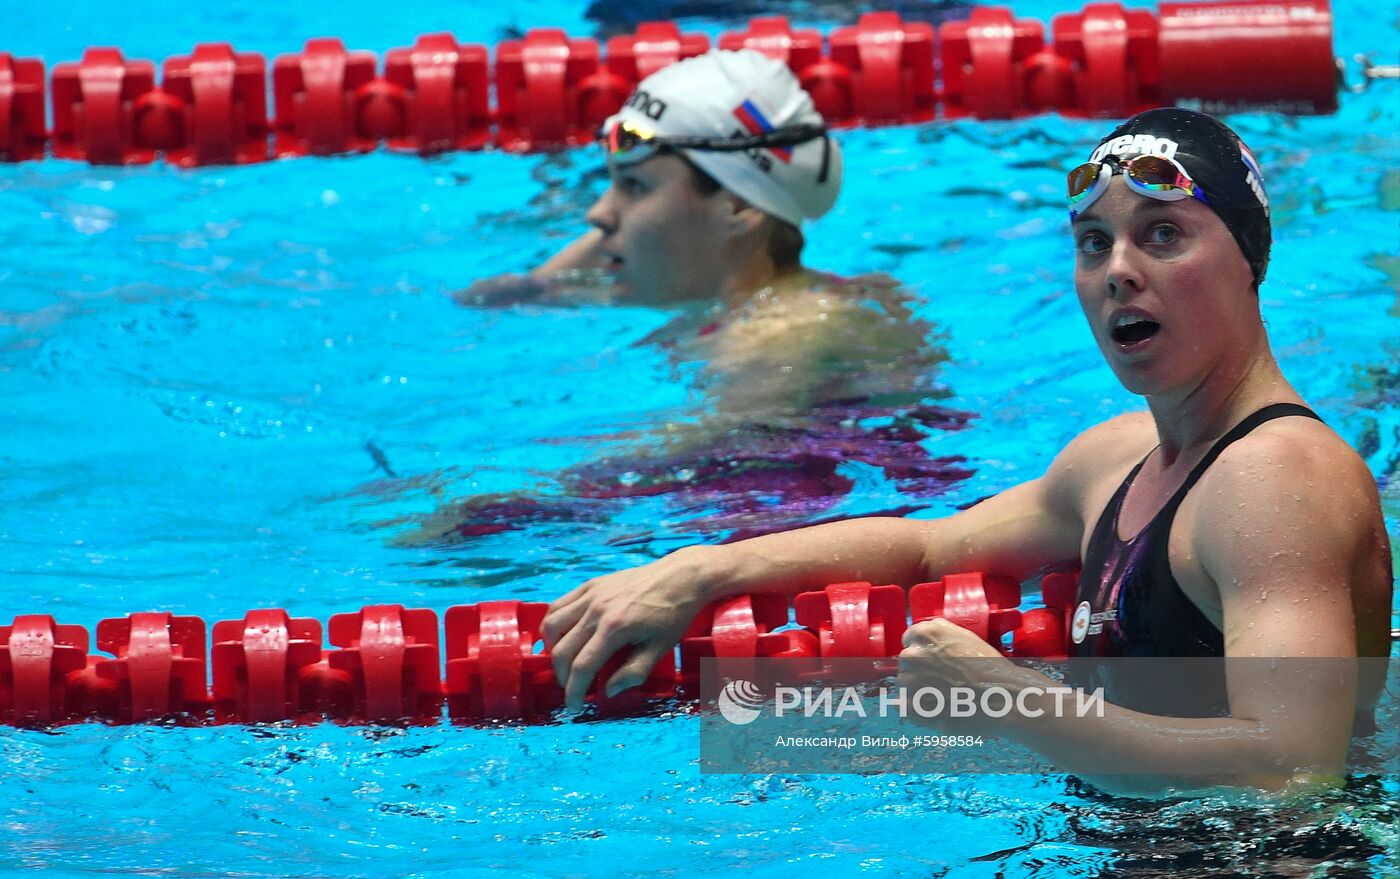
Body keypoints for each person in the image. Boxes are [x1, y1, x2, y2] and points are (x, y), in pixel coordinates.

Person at [540, 108, 1394, 791]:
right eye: (1094, 242)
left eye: (1163, 234)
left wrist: (1014, 703)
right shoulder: (1119, 459)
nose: (1119, 270)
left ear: (1249, 256)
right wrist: (700, 570)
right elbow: (925, 548)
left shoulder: (1276, 475)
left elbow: (1289, 770)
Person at [399, 51, 972, 544]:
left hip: (828, 526)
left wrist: (499, 502)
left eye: (634, 187)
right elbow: (502, 297)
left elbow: (693, 453)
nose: (597, 215)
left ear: (740, 209)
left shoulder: (789, 331)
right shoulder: (727, 299)